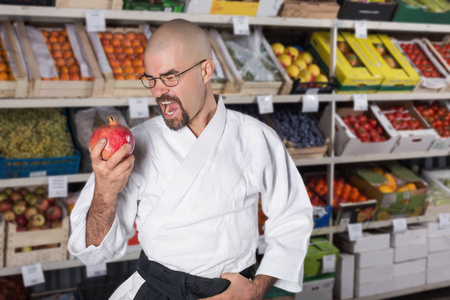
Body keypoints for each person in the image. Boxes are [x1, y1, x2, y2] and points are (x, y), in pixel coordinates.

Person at [68, 19, 313, 300]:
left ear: (205, 70)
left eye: (171, 77)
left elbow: (292, 217)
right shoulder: (134, 144)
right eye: (152, 79)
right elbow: (93, 250)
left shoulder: (255, 138)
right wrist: (104, 192)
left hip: (230, 295)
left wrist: (256, 289)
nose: (159, 92)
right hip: (157, 291)